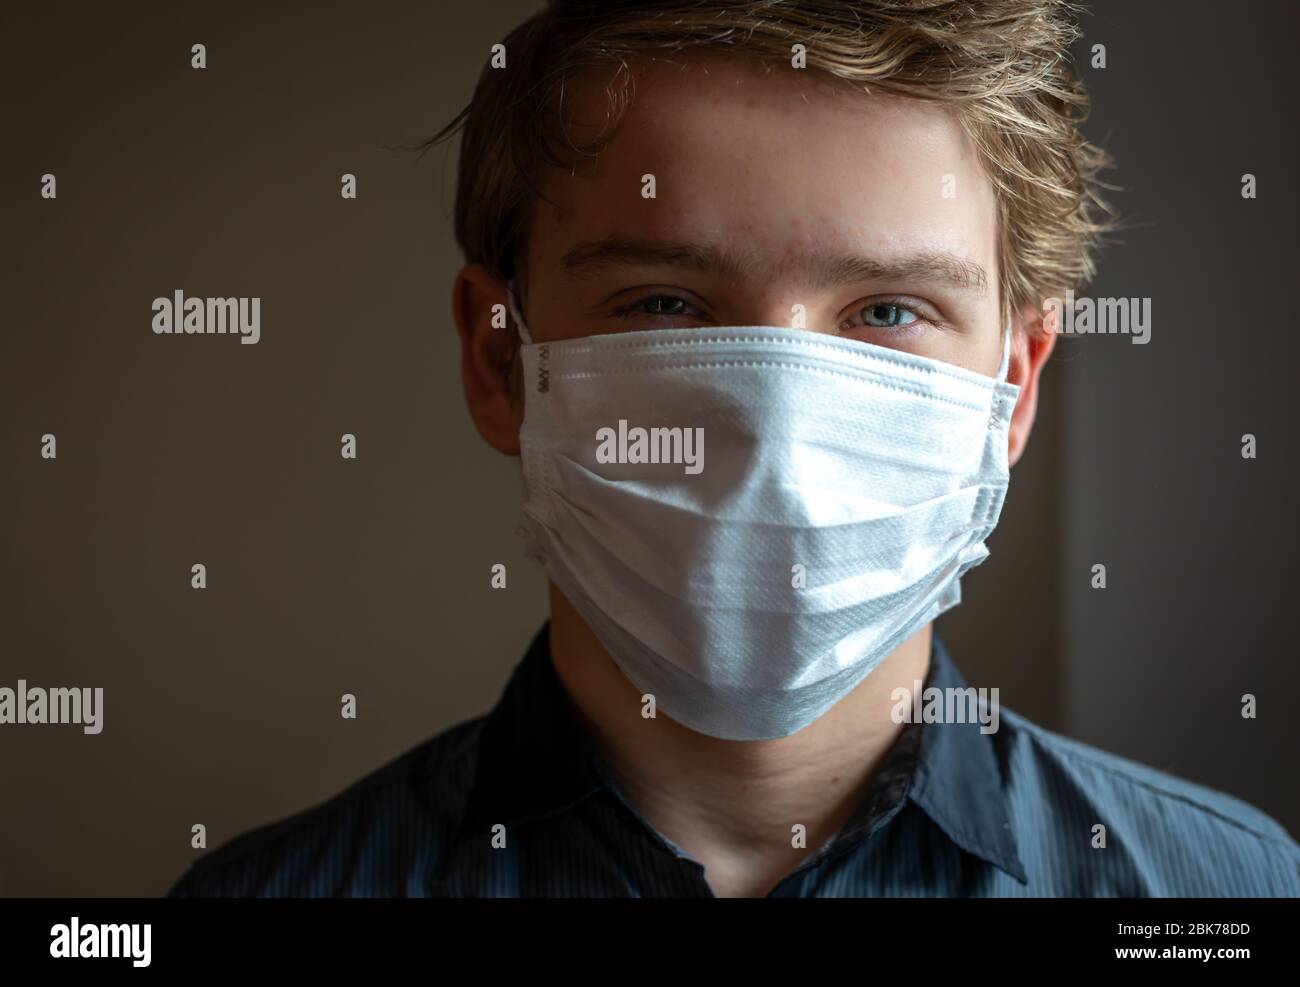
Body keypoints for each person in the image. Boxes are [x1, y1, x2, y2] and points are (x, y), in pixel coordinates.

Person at [166, 0, 1299, 898]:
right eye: (663, 302)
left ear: (1015, 382)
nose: (775, 430)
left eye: (889, 311)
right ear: (497, 360)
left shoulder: (1227, 892)